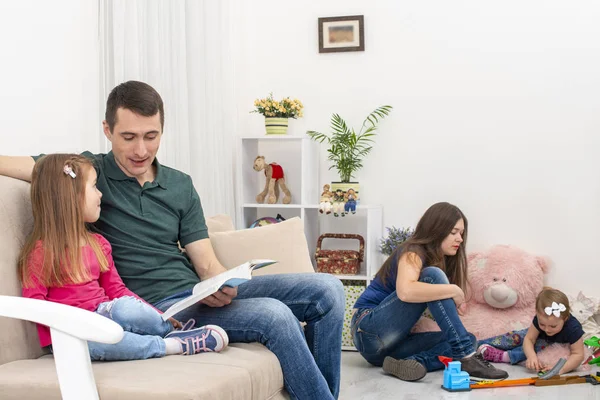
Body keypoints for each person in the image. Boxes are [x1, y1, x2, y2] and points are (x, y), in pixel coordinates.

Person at [0, 81, 344, 400]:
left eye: (151, 136)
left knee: (328, 289)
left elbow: (206, 262)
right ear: (107, 131)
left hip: (194, 294)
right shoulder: (88, 173)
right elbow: (42, 172)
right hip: (151, 309)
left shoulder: (180, 185)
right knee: (275, 316)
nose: (141, 149)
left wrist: (221, 282)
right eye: (128, 137)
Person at [19, 153, 228, 360]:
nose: (100, 194)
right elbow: (34, 304)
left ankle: (169, 329)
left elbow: (116, 289)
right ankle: (171, 345)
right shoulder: (41, 253)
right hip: (73, 334)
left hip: (105, 315)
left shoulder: (98, 244)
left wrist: (157, 315)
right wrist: (63, 329)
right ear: (70, 197)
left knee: (126, 307)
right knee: (99, 343)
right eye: (93, 187)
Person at [351, 202, 509, 381]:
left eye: (462, 234)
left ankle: (411, 363)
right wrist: (454, 290)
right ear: (437, 229)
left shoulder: (438, 260)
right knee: (432, 277)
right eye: (453, 232)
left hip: (386, 350)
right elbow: (406, 291)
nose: (460, 239)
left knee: (468, 339)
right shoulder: (412, 251)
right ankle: (467, 356)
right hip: (367, 329)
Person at [478, 288, 585, 374]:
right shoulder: (540, 320)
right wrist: (531, 356)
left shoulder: (573, 328)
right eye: (542, 324)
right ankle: (478, 344)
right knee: (516, 337)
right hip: (534, 336)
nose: (547, 329)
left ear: (565, 319)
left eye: (553, 326)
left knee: (539, 346)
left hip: (549, 344)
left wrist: (561, 369)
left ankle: (503, 356)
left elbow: (578, 354)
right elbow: (529, 339)